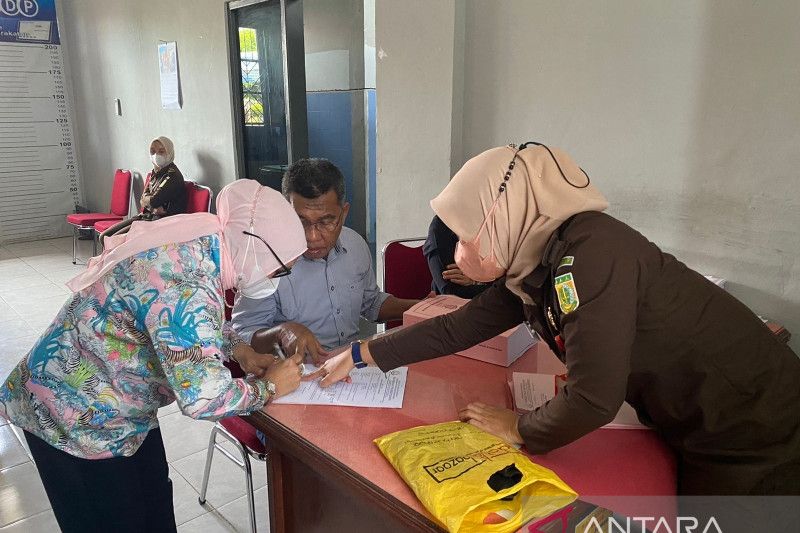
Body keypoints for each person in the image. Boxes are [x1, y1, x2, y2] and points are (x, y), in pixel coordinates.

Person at [312, 143, 800, 495]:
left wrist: (519, 428)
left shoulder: (591, 255)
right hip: (691, 421)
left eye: (466, 234)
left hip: (750, 432)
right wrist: (363, 353)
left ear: (504, 218)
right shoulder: (535, 260)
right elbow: (460, 325)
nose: (458, 251)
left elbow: (592, 399)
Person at [0, 179, 315, 532]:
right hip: (71, 416)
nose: (276, 277)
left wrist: (239, 350)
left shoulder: (202, 242)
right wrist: (269, 387)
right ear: (253, 246)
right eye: (279, 268)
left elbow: (192, 324)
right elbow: (203, 399)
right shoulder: (185, 280)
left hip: (118, 407)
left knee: (154, 510)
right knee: (113, 521)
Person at [232, 158, 419, 354]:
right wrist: (281, 332)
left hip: (351, 366)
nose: (312, 236)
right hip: (295, 374)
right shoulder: (266, 261)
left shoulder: (355, 245)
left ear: (344, 213)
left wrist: (422, 308)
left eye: (326, 221)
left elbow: (371, 304)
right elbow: (241, 332)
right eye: (300, 221)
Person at [424, 215, 488, 299]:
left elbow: (509, 285)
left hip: (497, 302)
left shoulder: (500, 219)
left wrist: (476, 279)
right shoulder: (442, 223)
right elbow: (449, 291)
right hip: (453, 306)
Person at [141, 136, 187, 219]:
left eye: (161, 151)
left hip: (168, 221)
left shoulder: (172, 175)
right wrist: (152, 208)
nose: (156, 155)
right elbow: (142, 200)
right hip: (151, 217)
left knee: (129, 231)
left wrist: (148, 203)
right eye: (153, 151)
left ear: (169, 153)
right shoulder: (155, 172)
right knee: (114, 230)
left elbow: (154, 201)